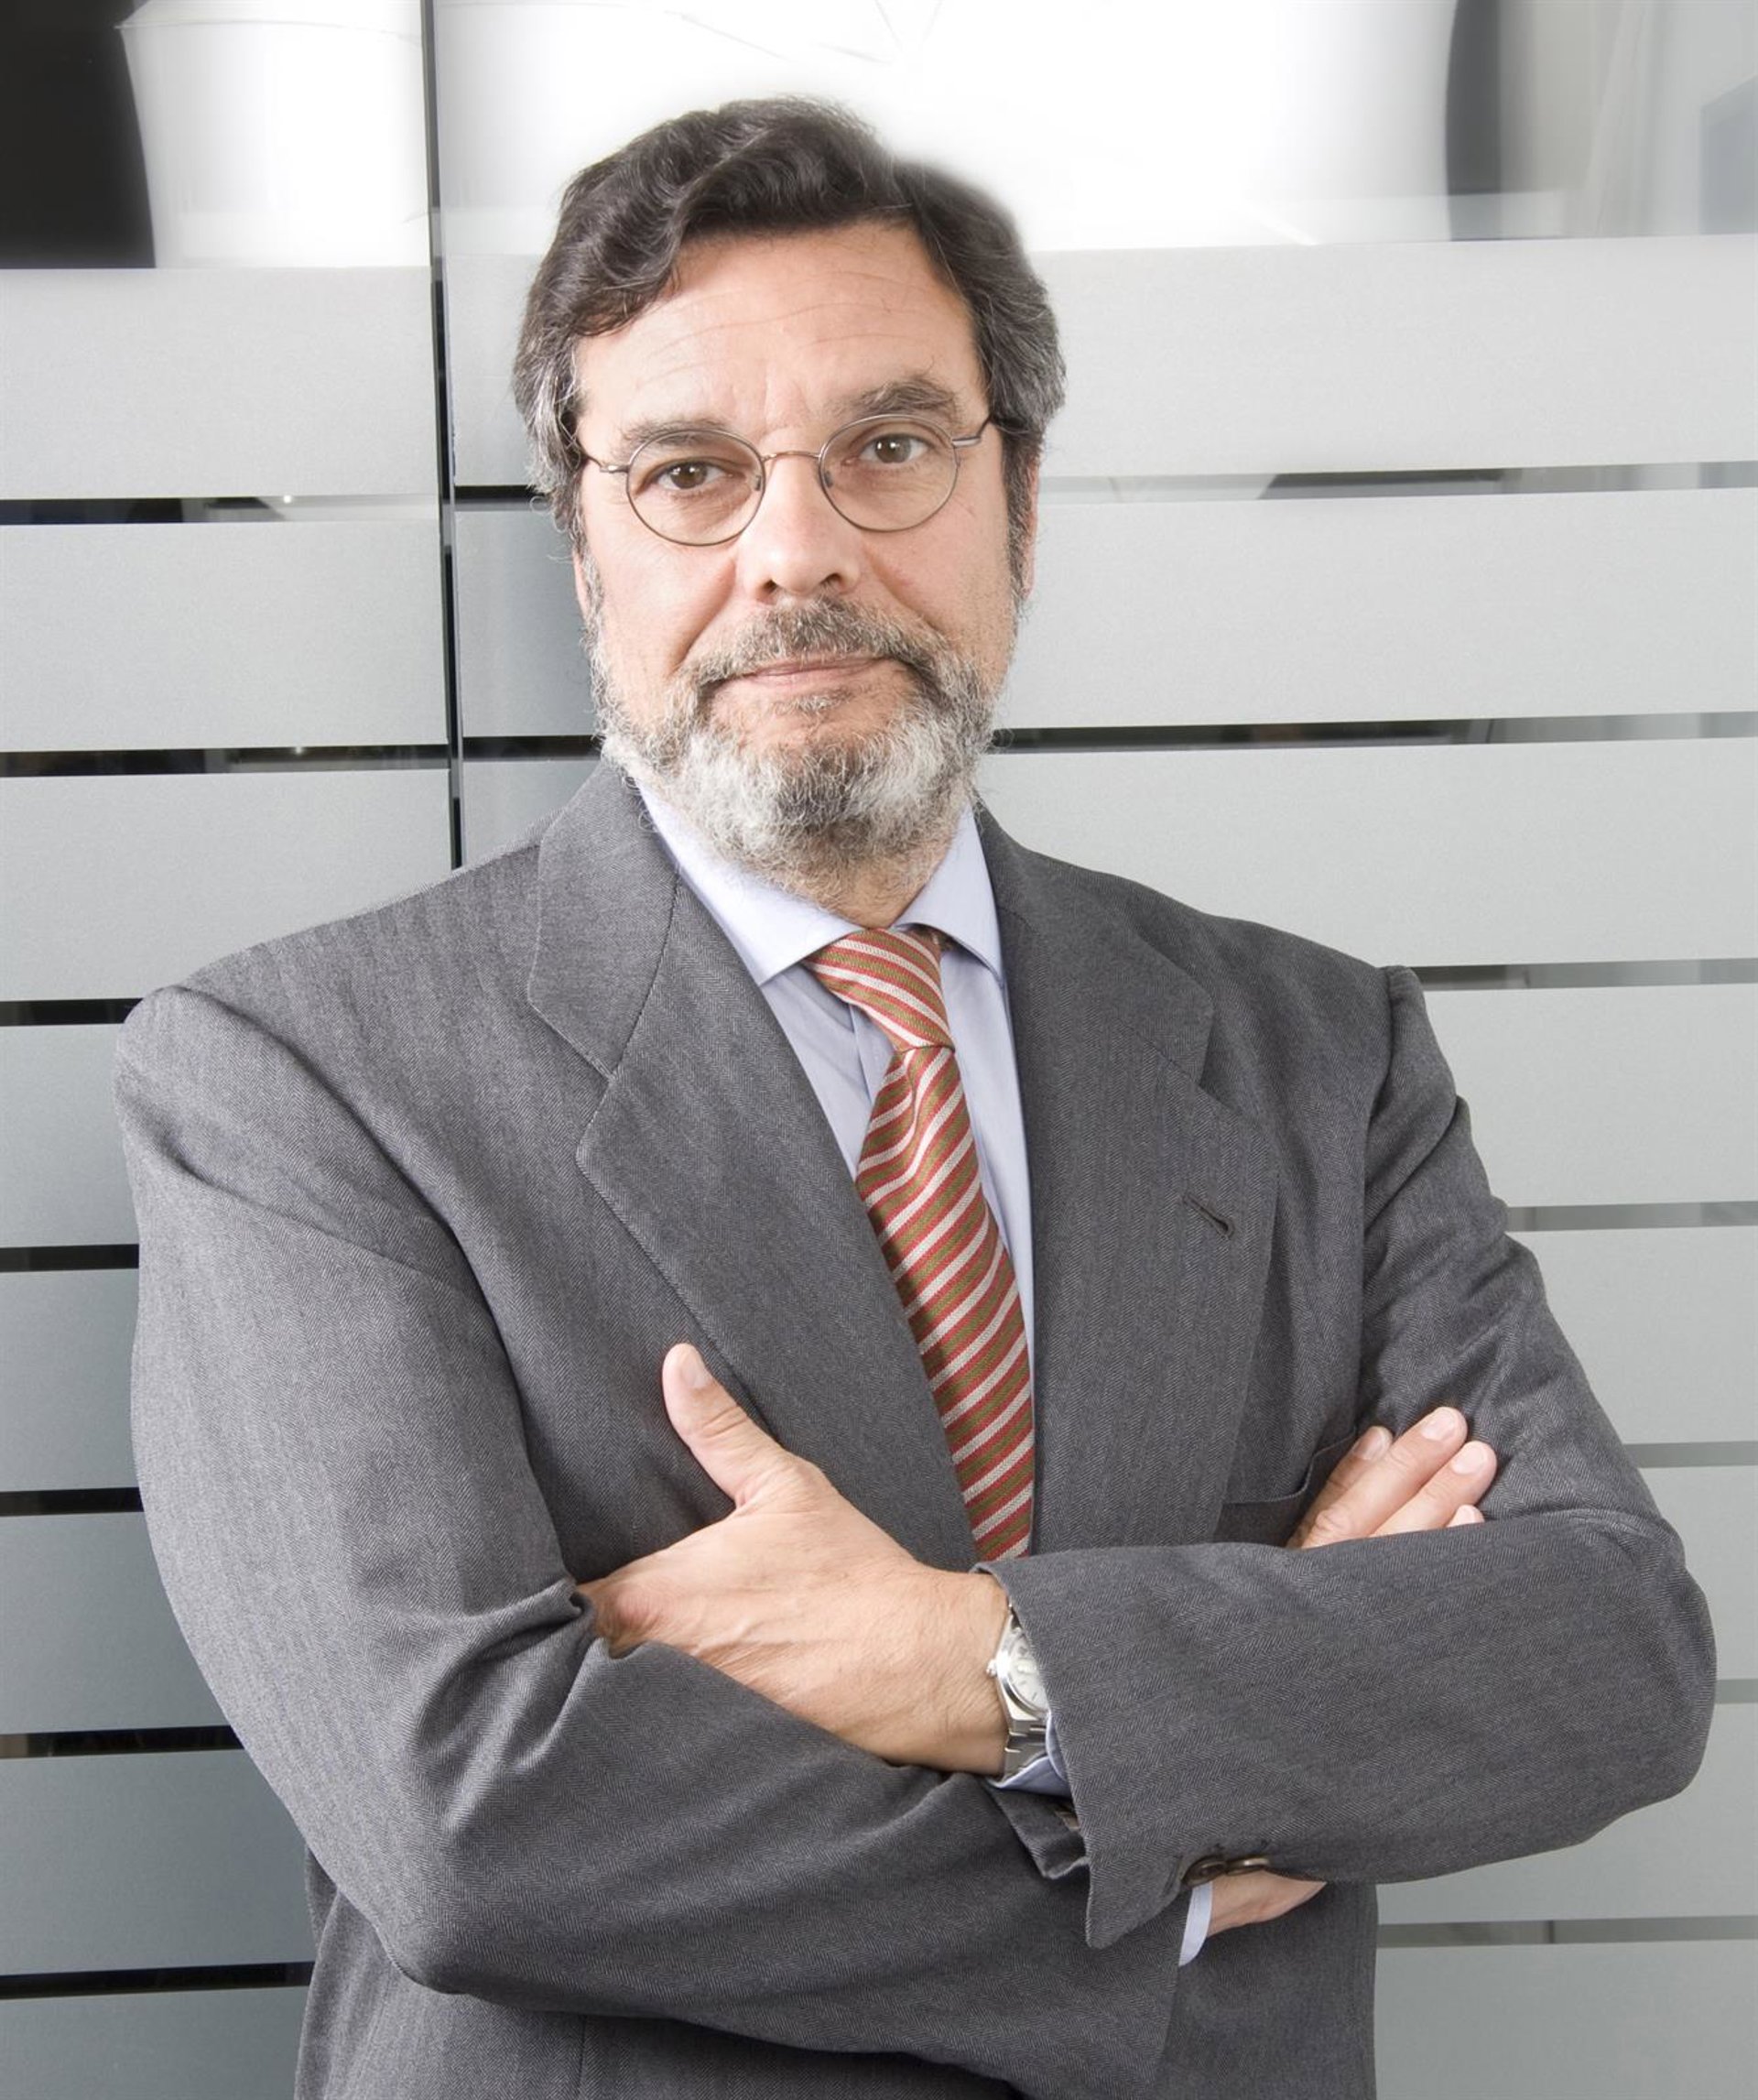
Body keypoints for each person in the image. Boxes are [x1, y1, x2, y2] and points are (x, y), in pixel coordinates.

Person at [117, 98, 1714, 2100]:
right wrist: (1195, 1813)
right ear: (588, 551)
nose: (797, 551)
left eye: (887, 448)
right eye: (690, 474)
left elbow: (1605, 1655)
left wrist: (976, 1660)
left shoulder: (1320, 1053)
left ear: (1018, 504)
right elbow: (470, 1822)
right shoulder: (302, 1081)